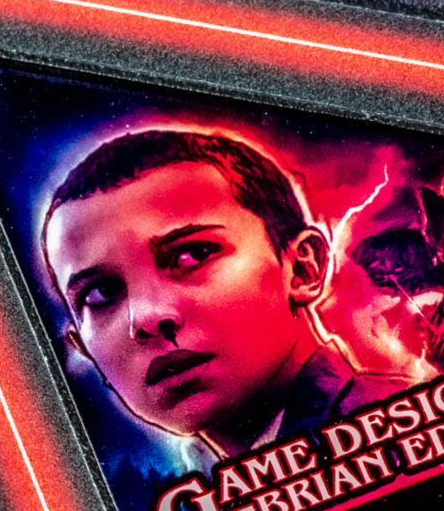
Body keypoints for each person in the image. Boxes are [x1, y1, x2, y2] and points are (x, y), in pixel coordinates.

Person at [40, 127, 402, 461]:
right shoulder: (207, 495)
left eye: (192, 255)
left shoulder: (397, 436)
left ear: (304, 268)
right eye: (100, 293)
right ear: (81, 346)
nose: (148, 318)